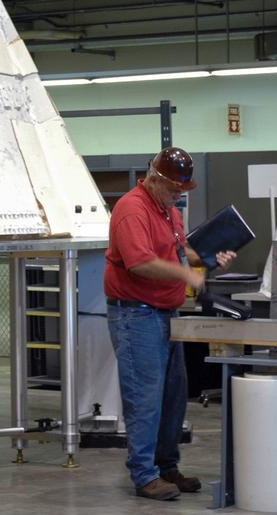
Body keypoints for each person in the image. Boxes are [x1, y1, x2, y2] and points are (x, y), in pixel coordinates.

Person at [104, 147, 235, 502]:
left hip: (165, 314)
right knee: (144, 398)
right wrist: (185, 275)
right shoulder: (132, 209)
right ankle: (144, 475)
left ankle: (166, 467)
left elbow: (180, 251)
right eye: (175, 189)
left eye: (183, 190)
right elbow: (140, 262)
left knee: (173, 396)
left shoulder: (169, 210)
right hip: (136, 316)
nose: (179, 196)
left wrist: (209, 259)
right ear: (155, 179)